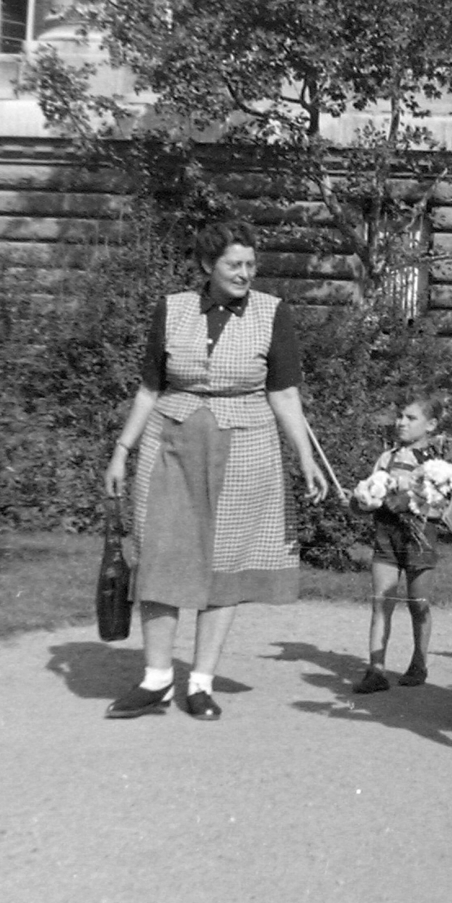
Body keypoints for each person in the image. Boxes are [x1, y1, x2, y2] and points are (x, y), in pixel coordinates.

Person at [104, 222, 327, 721]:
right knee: (159, 555)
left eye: (251, 265)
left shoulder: (273, 313)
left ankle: (200, 683)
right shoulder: (173, 307)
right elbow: (149, 389)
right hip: (172, 440)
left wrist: (306, 459)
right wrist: (122, 450)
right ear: (208, 266)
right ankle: (157, 679)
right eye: (234, 265)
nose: (245, 273)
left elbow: (284, 393)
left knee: (225, 562)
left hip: (247, 445)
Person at [353, 395, 444, 695]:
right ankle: (376, 669)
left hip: (419, 536)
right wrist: (361, 500)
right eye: (400, 416)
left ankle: (419, 661)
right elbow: (370, 493)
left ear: (430, 424)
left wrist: (410, 500)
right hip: (387, 535)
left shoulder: (437, 463)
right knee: (382, 602)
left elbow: (443, 506)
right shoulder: (386, 458)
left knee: (418, 604)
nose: (400, 422)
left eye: (410, 418)